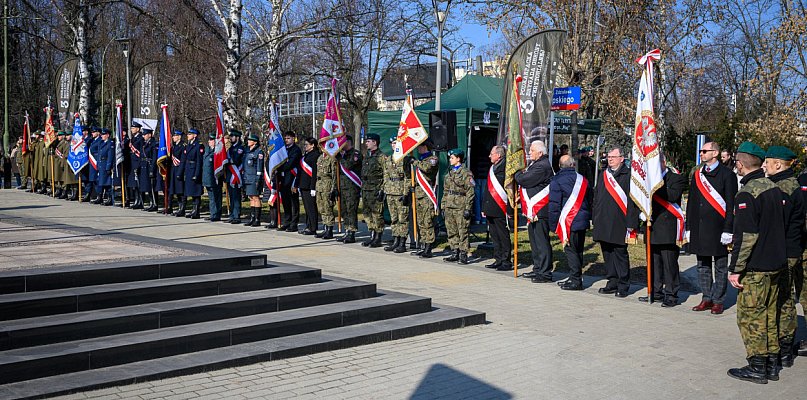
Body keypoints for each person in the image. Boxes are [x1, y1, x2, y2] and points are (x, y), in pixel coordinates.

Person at [726, 142, 787, 384]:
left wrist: (735, 269)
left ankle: (757, 366)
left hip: (757, 267)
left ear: (740, 164)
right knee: (770, 314)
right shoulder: (773, 188)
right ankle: (772, 363)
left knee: (750, 316)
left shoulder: (747, 193)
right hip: (776, 263)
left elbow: (746, 237)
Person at [686, 141, 738, 315]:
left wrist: (728, 229)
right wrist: (689, 226)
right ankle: (706, 297)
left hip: (718, 229)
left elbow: (731, 204)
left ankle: (718, 300)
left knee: (721, 266)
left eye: (704, 151)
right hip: (700, 228)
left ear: (714, 153)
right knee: (702, 265)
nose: (701, 153)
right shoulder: (697, 174)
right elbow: (692, 202)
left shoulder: (727, 175)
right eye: (701, 151)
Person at [764, 146, 804, 368]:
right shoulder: (786, 185)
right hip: (789, 250)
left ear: (778, 164)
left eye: (768, 162)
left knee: (783, 300)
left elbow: (779, 224)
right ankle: (786, 349)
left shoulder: (784, 188)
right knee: (785, 299)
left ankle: (784, 348)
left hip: (785, 252)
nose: (765, 166)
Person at [639, 153, 686, 306]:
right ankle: (655, 291)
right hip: (651, 226)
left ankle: (671, 294)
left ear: (664, 163)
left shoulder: (675, 178)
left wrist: (655, 185)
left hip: (667, 227)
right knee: (654, 263)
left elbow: (672, 196)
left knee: (669, 263)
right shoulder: (647, 181)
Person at [592, 147, 638, 297]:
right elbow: (597, 196)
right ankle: (612, 281)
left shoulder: (629, 175)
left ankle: (623, 284)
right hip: (603, 220)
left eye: (613, 156)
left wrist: (632, 223)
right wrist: (595, 216)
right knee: (607, 252)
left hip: (620, 221)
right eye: (608, 156)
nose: (610, 159)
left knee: (620, 253)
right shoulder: (603, 174)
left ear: (621, 158)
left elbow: (633, 202)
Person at [549, 155, 591, 290]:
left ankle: (576, 280)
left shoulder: (557, 180)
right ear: (573, 165)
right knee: (578, 250)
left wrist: (554, 225)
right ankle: (574, 277)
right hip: (582, 219)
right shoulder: (583, 179)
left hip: (568, 221)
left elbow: (554, 205)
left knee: (571, 251)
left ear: (560, 166)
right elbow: (590, 199)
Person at [515, 141, 554, 282]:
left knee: (541, 242)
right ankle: (537, 269)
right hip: (533, 211)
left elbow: (524, 180)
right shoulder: (536, 164)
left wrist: (517, 173)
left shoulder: (542, 166)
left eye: (532, 150)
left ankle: (545, 273)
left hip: (540, 210)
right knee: (534, 241)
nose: (529, 152)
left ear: (540, 153)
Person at [441, 148, 474, 264]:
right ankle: (454, 252)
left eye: (452, 158)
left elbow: (470, 192)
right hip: (449, 205)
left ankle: (463, 253)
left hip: (461, 206)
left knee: (462, 231)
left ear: (458, 159)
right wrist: (443, 206)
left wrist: (468, 208)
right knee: (451, 230)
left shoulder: (466, 173)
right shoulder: (449, 173)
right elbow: (445, 191)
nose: (450, 160)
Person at [482, 145, 511, 270]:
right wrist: (484, 207)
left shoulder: (506, 170)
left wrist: (509, 210)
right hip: (490, 207)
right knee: (494, 235)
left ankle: (506, 261)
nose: (489, 156)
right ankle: (498, 259)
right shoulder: (493, 168)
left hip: (501, 208)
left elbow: (510, 191)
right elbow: (487, 189)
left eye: (491, 154)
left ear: (498, 155)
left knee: (503, 235)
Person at [410, 141, 439, 258]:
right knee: (421, 222)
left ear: (425, 147)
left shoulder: (433, 159)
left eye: (419, 147)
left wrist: (415, 162)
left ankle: (429, 247)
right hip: (418, 195)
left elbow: (427, 169)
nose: (418, 149)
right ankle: (423, 245)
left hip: (427, 195)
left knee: (427, 222)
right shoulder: (421, 160)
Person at [383, 137, 411, 253]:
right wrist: (384, 190)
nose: (393, 145)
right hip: (390, 192)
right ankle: (396, 240)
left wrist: (405, 193)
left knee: (402, 219)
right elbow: (385, 175)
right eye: (392, 143)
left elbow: (408, 178)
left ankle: (403, 242)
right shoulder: (388, 159)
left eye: (395, 143)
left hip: (400, 192)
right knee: (394, 219)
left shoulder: (404, 159)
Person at [335, 135, 362, 244]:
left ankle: (352, 232)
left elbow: (348, 166)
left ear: (348, 142)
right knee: (344, 210)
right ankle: (347, 230)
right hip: (342, 187)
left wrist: (340, 157)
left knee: (351, 210)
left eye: (342, 142)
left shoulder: (355, 154)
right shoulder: (343, 155)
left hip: (352, 187)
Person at [360, 133, 385, 248]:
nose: (366, 143)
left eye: (368, 141)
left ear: (375, 142)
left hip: (375, 189)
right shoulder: (367, 156)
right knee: (367, 213)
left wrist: (382, 189)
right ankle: (372, 235)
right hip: (366, 189)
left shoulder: (381, 157)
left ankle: (378, 237)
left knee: (376, 214)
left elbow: (386, 174)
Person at [278, 131, 302, 232]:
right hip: (283, 179)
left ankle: (294, 223)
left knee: (293, 202)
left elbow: (290, 164)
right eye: (285, 138)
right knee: (286, 202)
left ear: (293, 138)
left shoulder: (296, 150)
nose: (286, 140)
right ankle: (287, 221)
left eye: (288, 138)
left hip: (292, 178)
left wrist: (279, 167)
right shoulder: (283, 149)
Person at [296, 137, 320, 235]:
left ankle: (313, 227)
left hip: (310, 185)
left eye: (307, 144)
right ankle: (308, 225)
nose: (305, 146)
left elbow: (314, 173)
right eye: (304, 144)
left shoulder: (315, 156)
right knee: (306, 207)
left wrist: (313, 187)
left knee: (311, 208)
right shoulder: (306, 155)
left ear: (313, 145)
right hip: (303, 185)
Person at [241, 133, 264, 227]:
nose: (248, 142)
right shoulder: (247, 151)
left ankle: (257, 219)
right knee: (251, 197)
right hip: (247, 177)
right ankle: (252, 218)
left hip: (254, 177)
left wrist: (258, 178)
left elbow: (259, 166)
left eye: (250, 140)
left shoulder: (259, 152)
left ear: (255, 142)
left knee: (256, 197)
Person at [181, 129, 204, 219]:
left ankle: (196, 211)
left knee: (196, 192)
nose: (188, 135)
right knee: (190, 191)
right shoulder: (188, 145)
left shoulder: (199, 146)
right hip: (188, 169)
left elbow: (199, 161)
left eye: (190, 134)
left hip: (194, 169)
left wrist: (197, 174)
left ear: (195, 135)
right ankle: (193, 210)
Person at [315, 146, 337, 240]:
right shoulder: (320, 157)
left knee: (328, 207)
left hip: (328, 184)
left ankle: (329, 230)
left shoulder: (332, 158)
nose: (322, 148)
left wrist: (334, 189)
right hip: (319, 184)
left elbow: (334, 175)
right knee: (321, 207)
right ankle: (325, 227)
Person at [225, 129, 245, 224]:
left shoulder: (240, 148)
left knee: (236, 196)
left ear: (237, 137)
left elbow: (236, 160)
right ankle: (232, 214)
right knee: (231, 196)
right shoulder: (230, 148)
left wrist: (228, 159)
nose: (231, 138)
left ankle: (236, 215)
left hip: (236, 175)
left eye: (232, 137)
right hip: (230, 175)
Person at [202, 132, 223, 222]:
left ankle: (216, 214)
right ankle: (213, 213)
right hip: (207, 178)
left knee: (216, 197)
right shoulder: (207, 150)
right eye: (209, 140)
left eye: (211, 140)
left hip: (215, 178)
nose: (209, 141)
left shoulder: (218, 152)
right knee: (211, 198)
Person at [139, 129, 158, 212]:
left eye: (145, 134)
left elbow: (154, 158)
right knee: (147, 186)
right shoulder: (144, 144)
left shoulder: (153, 144)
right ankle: (151, 203)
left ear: (150, 135)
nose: (143, 136)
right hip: (144, 166)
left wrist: (152, 169)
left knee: (152, 186)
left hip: (149, 166)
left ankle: (155, 203)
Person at [96, 129, 116, 206]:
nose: (102, 136)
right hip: (101, 164)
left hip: (105, 164)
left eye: (104, 135)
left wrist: (108, 167)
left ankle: (110, 198)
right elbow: (99, 155)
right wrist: (98, 165)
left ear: (108, 135)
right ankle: (102, 197)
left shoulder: (110, 143)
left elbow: (110, 156)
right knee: (102, 182)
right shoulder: (101, 143)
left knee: (107, 183)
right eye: (102, 134)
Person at [169, 130, 186, 216]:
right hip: (174, 170)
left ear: (179, 136)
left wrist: (180, 172)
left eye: (175, 136)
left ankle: (182, 209)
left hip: (179, 170)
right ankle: (179, 208)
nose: (173, 137)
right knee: (176, 190)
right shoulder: (174, 146)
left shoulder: (183, 146)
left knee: (181, 190)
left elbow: (182, 161)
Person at [127, 121, 144, 209]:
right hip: (132, 163)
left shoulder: (141, 138)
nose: (132, 130)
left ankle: (140, 201)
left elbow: (141, 152)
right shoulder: (133, 138)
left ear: (138, 129)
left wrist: (138, 164)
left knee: (138, 183)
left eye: (133, 128)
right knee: (134, 184)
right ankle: (136, 200)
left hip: (137, 162)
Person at [60, 131, 79, 201]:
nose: (66, 136)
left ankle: (75, 194)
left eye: (68, 135)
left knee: (73, 180)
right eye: (66, 135)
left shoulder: (74, 143)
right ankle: (72, 193)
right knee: (69, 180)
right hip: (67, 163)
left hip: (72, 163)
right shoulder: (66, 143)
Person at [86, 127, 101, 202]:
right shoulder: (92, 140)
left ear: (98, 132)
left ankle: (99, 195)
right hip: (91, 163)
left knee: (96, 180)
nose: (92, 133)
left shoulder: (100, 140)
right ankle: (90, 194)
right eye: (92, 132)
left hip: (95, 161)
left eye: (94, 132)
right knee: (92, 179)